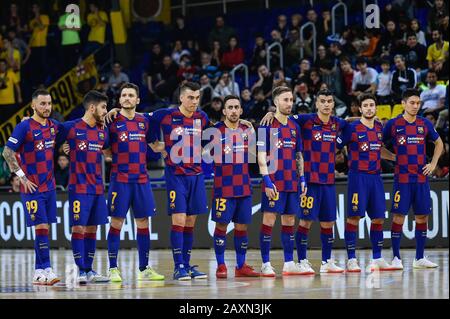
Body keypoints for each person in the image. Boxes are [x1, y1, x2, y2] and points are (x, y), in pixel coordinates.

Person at [261, 89, 350, 274]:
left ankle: (326, 262)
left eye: (329, 101)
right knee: (303, 221)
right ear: (316, 103)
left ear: (333, 104)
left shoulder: (336, 123)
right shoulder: (304, 120)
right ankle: (299, 260)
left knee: (328, 222)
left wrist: (344, 137)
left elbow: (350, 124)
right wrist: (271, 111)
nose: (326, 104)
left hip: (327, 181)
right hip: (308, 180)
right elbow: (283, 117)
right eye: (322, 101)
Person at [146, 82, 210, 281]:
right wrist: (158, 147)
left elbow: (208, 141)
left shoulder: (202, 117)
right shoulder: (165, 115)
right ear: (181, 98)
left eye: (197, 97)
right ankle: (178, 266)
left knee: (190, 221)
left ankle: (187, 264)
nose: (194, 102)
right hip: (176, 176)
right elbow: (142, 122)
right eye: (191, 97)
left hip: (197, 176)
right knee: (179, 220)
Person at [104, 83, 164, 282]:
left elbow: (155, 145)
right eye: (124, 95)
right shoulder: (111, 120)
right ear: (119, 100)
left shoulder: (144, 121)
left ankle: (144, 267)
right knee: (116, 223)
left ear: (137, 100)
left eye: (131, 95)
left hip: (141, 179)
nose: (127, 98)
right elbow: (105, 150)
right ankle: (113, 268)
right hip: (119, 180)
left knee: (143, 222)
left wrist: (180, 145)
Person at [2, 89, 61, 285]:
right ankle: (45, 269)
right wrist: (21, 177)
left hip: (50, 187)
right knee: (41, 227)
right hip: (32, 188)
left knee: (44, 229)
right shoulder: (24, 126)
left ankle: (40, 270)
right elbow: (7, 152)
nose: (47, 107)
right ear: (33, 106)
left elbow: (74, 129)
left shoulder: (54, 126)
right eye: (42, 104)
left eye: (49, 103)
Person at [383, 89, 444, 269]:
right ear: (403, 103)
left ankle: (419, 258)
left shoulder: (424, 123)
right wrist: (393, 157)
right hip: (402, 180)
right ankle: (396, 258)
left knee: (422, 217)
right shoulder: (393, 124)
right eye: (412, 102)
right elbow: (376, 145)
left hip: (421, 179)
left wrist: (433, 164)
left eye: (418, 103)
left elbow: (439, 143)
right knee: (398, 218)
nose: (416, 106)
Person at [337, 93, 396, 273]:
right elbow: (334, 146)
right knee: (354, 217)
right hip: (357, 177)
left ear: (375, 108)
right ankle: (352, 259)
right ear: (360, 108)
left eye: (372, 105)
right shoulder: (352, 128)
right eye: (366, 105)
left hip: (375, 177)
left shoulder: (379, 126)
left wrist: (394, 157)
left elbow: (379, 149)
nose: (369, 108)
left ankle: (377, 258)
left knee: (378, 217)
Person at [57, 91, 110, 283]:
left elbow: (109, 150)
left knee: (92, 229)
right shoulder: (70, 127)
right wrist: (64, 146)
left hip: (97, 188)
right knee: (78, 228)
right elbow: (50, 136)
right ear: (92, 107)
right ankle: (81, 270)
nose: (106, 111)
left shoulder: (103, 130)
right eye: (103, 107)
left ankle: (89, 270)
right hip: (78, 188)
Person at [208, 95, 260, 278]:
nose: (233, 110)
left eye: (236, 107)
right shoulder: (214, 131)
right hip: (223, 188)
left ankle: (240, 265)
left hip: (244, 187)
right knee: (221, 226)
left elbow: (256, 154)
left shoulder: (247, 130)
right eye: (229, 107)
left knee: (242, 227)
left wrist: (253, 129)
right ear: (223, 111)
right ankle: (221, 265)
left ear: (241, 110)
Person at [257, 86, 306, 276]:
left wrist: (302, 177)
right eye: (285, 100)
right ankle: (266, 263)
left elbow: (298, 154)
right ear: (276, 102)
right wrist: (267, 180)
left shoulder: (295, 126)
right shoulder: (265, 125)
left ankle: (288, 262)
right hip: (274, 181)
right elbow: (260, 155)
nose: (289, 103)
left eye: (291, 100)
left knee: (289, 221)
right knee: (269, 220)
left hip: (291, 181)